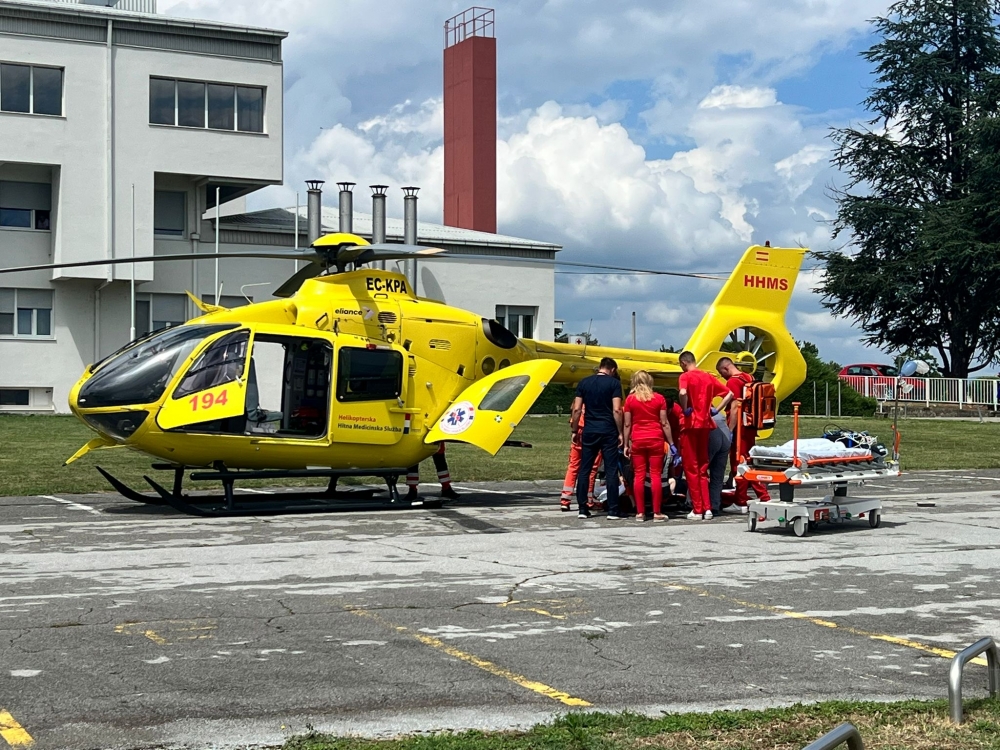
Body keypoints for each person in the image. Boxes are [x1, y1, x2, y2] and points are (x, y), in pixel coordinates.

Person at [677, 351, 732, 521]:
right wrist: (717, 409)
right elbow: (729, 394)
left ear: (683, 363)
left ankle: (697, 508)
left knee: (691, 468)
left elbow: (683, 393)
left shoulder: (685, 377)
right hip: (707, 424)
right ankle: (707, 508)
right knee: (702, 467)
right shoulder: (708, 377)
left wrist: (685, 407)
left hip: (691, 424)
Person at [570, 357, 625, 520]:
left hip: (589, 430)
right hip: (608, 430)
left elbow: (577, 409)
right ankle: (613, 510)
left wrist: (574, 430)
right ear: (613, 370)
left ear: (600, 367)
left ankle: (582, 508)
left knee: (585, 469)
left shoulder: (584, 383)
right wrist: (620, 432)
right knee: (611, 469)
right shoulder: (614, 384)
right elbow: (617, 410)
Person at [716, 357, 771, 512]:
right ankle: (741, 497)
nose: (723, 377)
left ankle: (757, 497)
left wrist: (729, 430)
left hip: (740, 427)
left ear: (725, 368)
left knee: (739, 464)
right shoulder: (748, 377)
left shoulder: (733, 382)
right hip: (750, 426)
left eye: (722, 373)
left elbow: (734, 408)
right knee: (746, 461)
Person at [623, 370, 674, 522]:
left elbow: (627, 424)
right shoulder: (659, 399)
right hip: (656, 439)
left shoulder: (630, 400)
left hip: (638, 439)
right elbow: (664, 423)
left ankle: (640, 512)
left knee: (638, 475)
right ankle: (657, 512)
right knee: (655, 475)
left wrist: (626, 443)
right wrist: (671, 443)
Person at [559, 405, 602, 511]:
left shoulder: (581, 396)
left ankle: (565, 499)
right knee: (592, 468)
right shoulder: (599, 396)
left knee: (573, 467)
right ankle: (588, 500)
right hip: (593, 432)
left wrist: (574, 430)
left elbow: (575, 411)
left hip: (579, 430)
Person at [707, 408, 732, 515]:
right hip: (725, 433)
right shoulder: (717, 412)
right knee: (718, 475)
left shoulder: (699, 408)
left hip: (712, 431)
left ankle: (692, 502)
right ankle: (715, 504)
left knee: (698, 471)